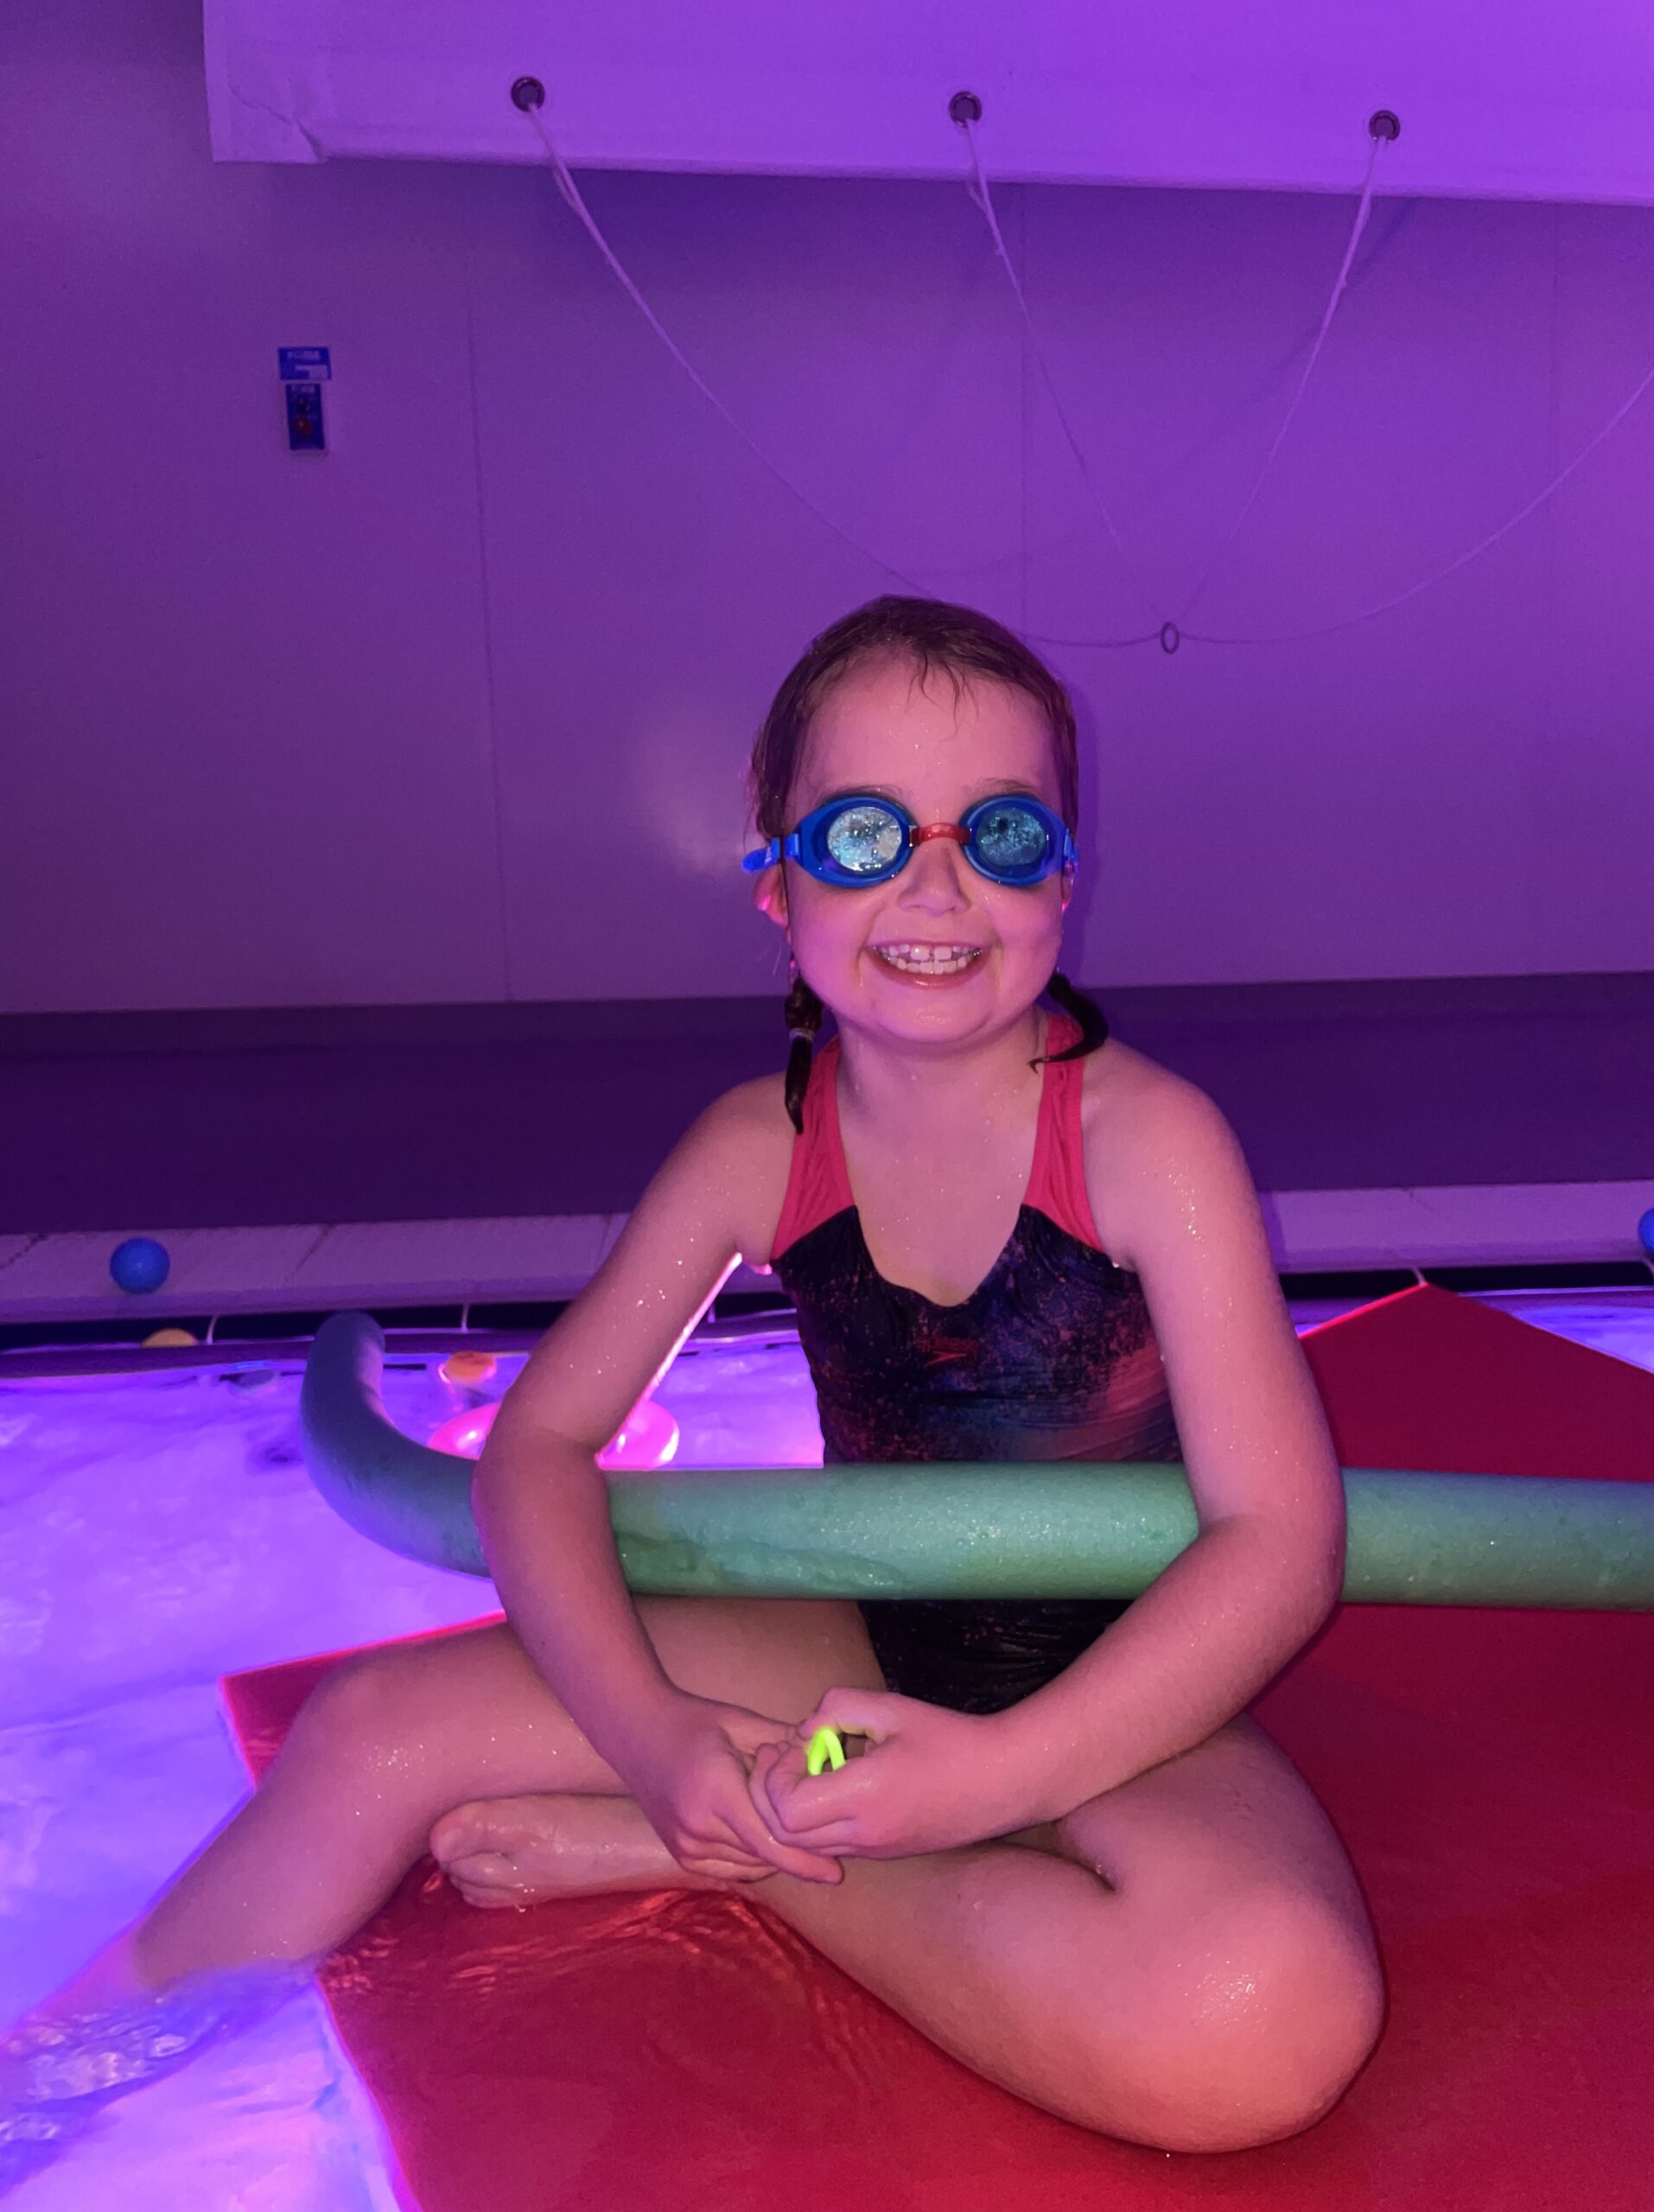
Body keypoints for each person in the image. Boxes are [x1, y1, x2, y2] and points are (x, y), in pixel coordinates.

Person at [6, 597, 1384, 2160]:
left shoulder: (1151, 1146)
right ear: (777, 884)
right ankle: (40, 2085)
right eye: (864, 836)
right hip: (866, 1656)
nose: (938, 887)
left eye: (1001, 834)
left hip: (1128, 1699)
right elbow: (537, 1452)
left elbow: (1280, 1541)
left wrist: (1002, 1774)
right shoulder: (756, 1148)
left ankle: (751, 1866)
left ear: (1063, 878)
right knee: (373, 1730)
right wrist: (652, 1737)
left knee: (1257, 2014)